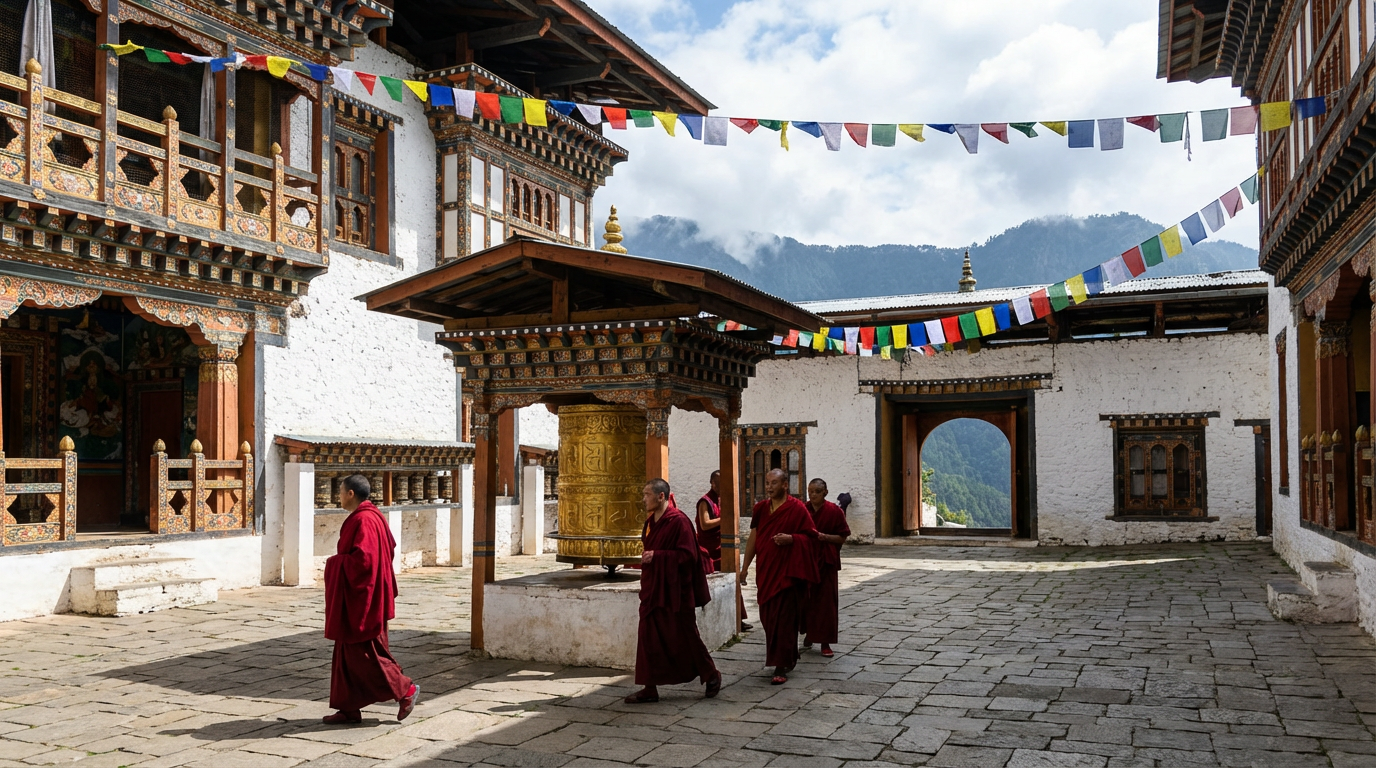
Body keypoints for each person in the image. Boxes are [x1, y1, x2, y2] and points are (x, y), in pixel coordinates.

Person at [323, 474, 419, 724]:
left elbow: (364, 562)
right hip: (364, 595)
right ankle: (348, 708)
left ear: (351, 494)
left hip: (363, 599)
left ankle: (406, 690)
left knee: (367, 654)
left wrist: (334, 564)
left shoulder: (364, 520)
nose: (339, 497)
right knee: (346, 653)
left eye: (341, 492)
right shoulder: (372, 516)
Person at [625, 478, 723, 704]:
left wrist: (658, 556)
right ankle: (649, 687)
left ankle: (711, 675)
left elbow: (688, 555)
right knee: (647, 637)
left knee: (687, 636)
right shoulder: (651, 522)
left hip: (676, 591)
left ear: (661, 497)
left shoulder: (679, 522)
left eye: (647, 495)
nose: (643, 499)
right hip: (654, 589)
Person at [740, 468, 818, 685]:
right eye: (767, 483)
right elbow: (754, 538)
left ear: (785, 485)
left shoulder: (797, 508)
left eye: (774, 483)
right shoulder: (761, 509)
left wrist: (793, 539)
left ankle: (781, 665)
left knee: (784, 619)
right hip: (766, 572)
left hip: (787, 575)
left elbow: (810, 539)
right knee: (768, 618)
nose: (769, 487)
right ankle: (788, 654)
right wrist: (745, 567)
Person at [801, 479, 851, 658]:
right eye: (810, 491)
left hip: (826, 562)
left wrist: (824, 537)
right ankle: (809, 633)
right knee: (805, 600)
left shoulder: (834, 511)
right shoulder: (803, 510)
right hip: (806, 561)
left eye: (816, 491)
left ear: (825, 492)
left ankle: (825, 642)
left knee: (826, 604)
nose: (812, 495)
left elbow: (842, 537)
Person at [698, 471, 751, 630]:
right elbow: (705, 524)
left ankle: (737, 618)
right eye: (719, 484)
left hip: (723, 548)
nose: (722, 487)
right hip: (709, 550)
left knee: (733, 583)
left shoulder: (723, 500)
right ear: (712, 483)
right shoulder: (705, 501)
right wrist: (725, 519)